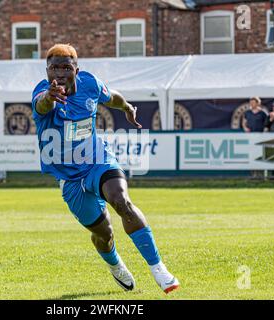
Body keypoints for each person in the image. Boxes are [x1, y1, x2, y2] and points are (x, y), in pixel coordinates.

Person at [32, 44, 179, 294]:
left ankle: (159, 269)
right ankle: (115, 264)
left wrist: (127, 108)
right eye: (54, 67)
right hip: (69, 179)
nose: (59, 73)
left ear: (76, 70)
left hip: (97, 160)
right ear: (47, 70)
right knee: (104, 233)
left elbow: (111, 97)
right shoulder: (43, 93)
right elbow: (41, 105)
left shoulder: (90, 83)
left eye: (66, 67)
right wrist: (49, 96)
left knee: (121, 201)